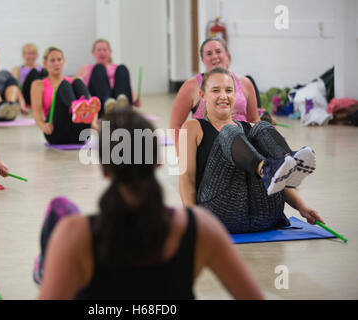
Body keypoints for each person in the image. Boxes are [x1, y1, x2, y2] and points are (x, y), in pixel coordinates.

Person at [34, 109, 264, 300]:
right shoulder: (201, 228)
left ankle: (44, 266)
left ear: (104, 168)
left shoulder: (74, 235)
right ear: (158, 162)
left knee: (60, 209)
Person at [179, 67, 324, 234]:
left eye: (229, 90)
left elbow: (279, 180)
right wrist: (191, 221)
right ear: (203, 96)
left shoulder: (251, 130)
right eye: (215, 90)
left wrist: (302, 207)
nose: (224, 96)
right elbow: (186, 177)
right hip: (219, 213)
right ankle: (264, 168)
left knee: (261, 126)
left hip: (265, 214)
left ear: (235, 95)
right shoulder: (191, 128)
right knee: (229, 131)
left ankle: (288, 158)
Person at [170, 37, 261, 153]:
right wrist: (182, 153)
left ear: (226, 55)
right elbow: (176, 125)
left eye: (218, 51)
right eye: (209, 53)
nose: (214, 56)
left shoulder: (245, 83)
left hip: (243, 145)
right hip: (209, 147)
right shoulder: (191, 86)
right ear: (202, 60)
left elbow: (254, 120)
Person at [31, 47, 100, 145]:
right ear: (45, 64)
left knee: (78, 81)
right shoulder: (38, 84)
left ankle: (80, 112)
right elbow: (36, 113)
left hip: (79, 134)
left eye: (59, 60)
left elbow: (91, 106)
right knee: (64, 84)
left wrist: (93, 122)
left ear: (64, 61)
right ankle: (75, 107)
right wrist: (43, 126)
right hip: (56, 133)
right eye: (52, 60)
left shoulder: (73, 82)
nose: (56, 63)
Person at [75, 39, 141, 115]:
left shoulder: (117, 68)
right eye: (99, 50)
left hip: (120, 102)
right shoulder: (86, 68)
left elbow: (127, 87)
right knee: (99, 67)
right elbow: (76, 84)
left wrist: (135, 99)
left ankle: (122, 102)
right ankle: (107, 101)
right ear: (93, 53)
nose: (102, 52)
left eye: (105, 50)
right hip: (100, 103)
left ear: (110, 52)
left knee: (122, 68)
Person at [11, 43, 48, 107]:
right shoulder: (17, 69)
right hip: (26, 96)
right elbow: (15, 87)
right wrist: (21, 102)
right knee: (34, 72)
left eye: (33, 53)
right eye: (28, 53)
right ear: (23, 55)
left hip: (42, 94)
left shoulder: (43, 69)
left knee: (46, 71)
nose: (31, 56)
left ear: (37, 55)